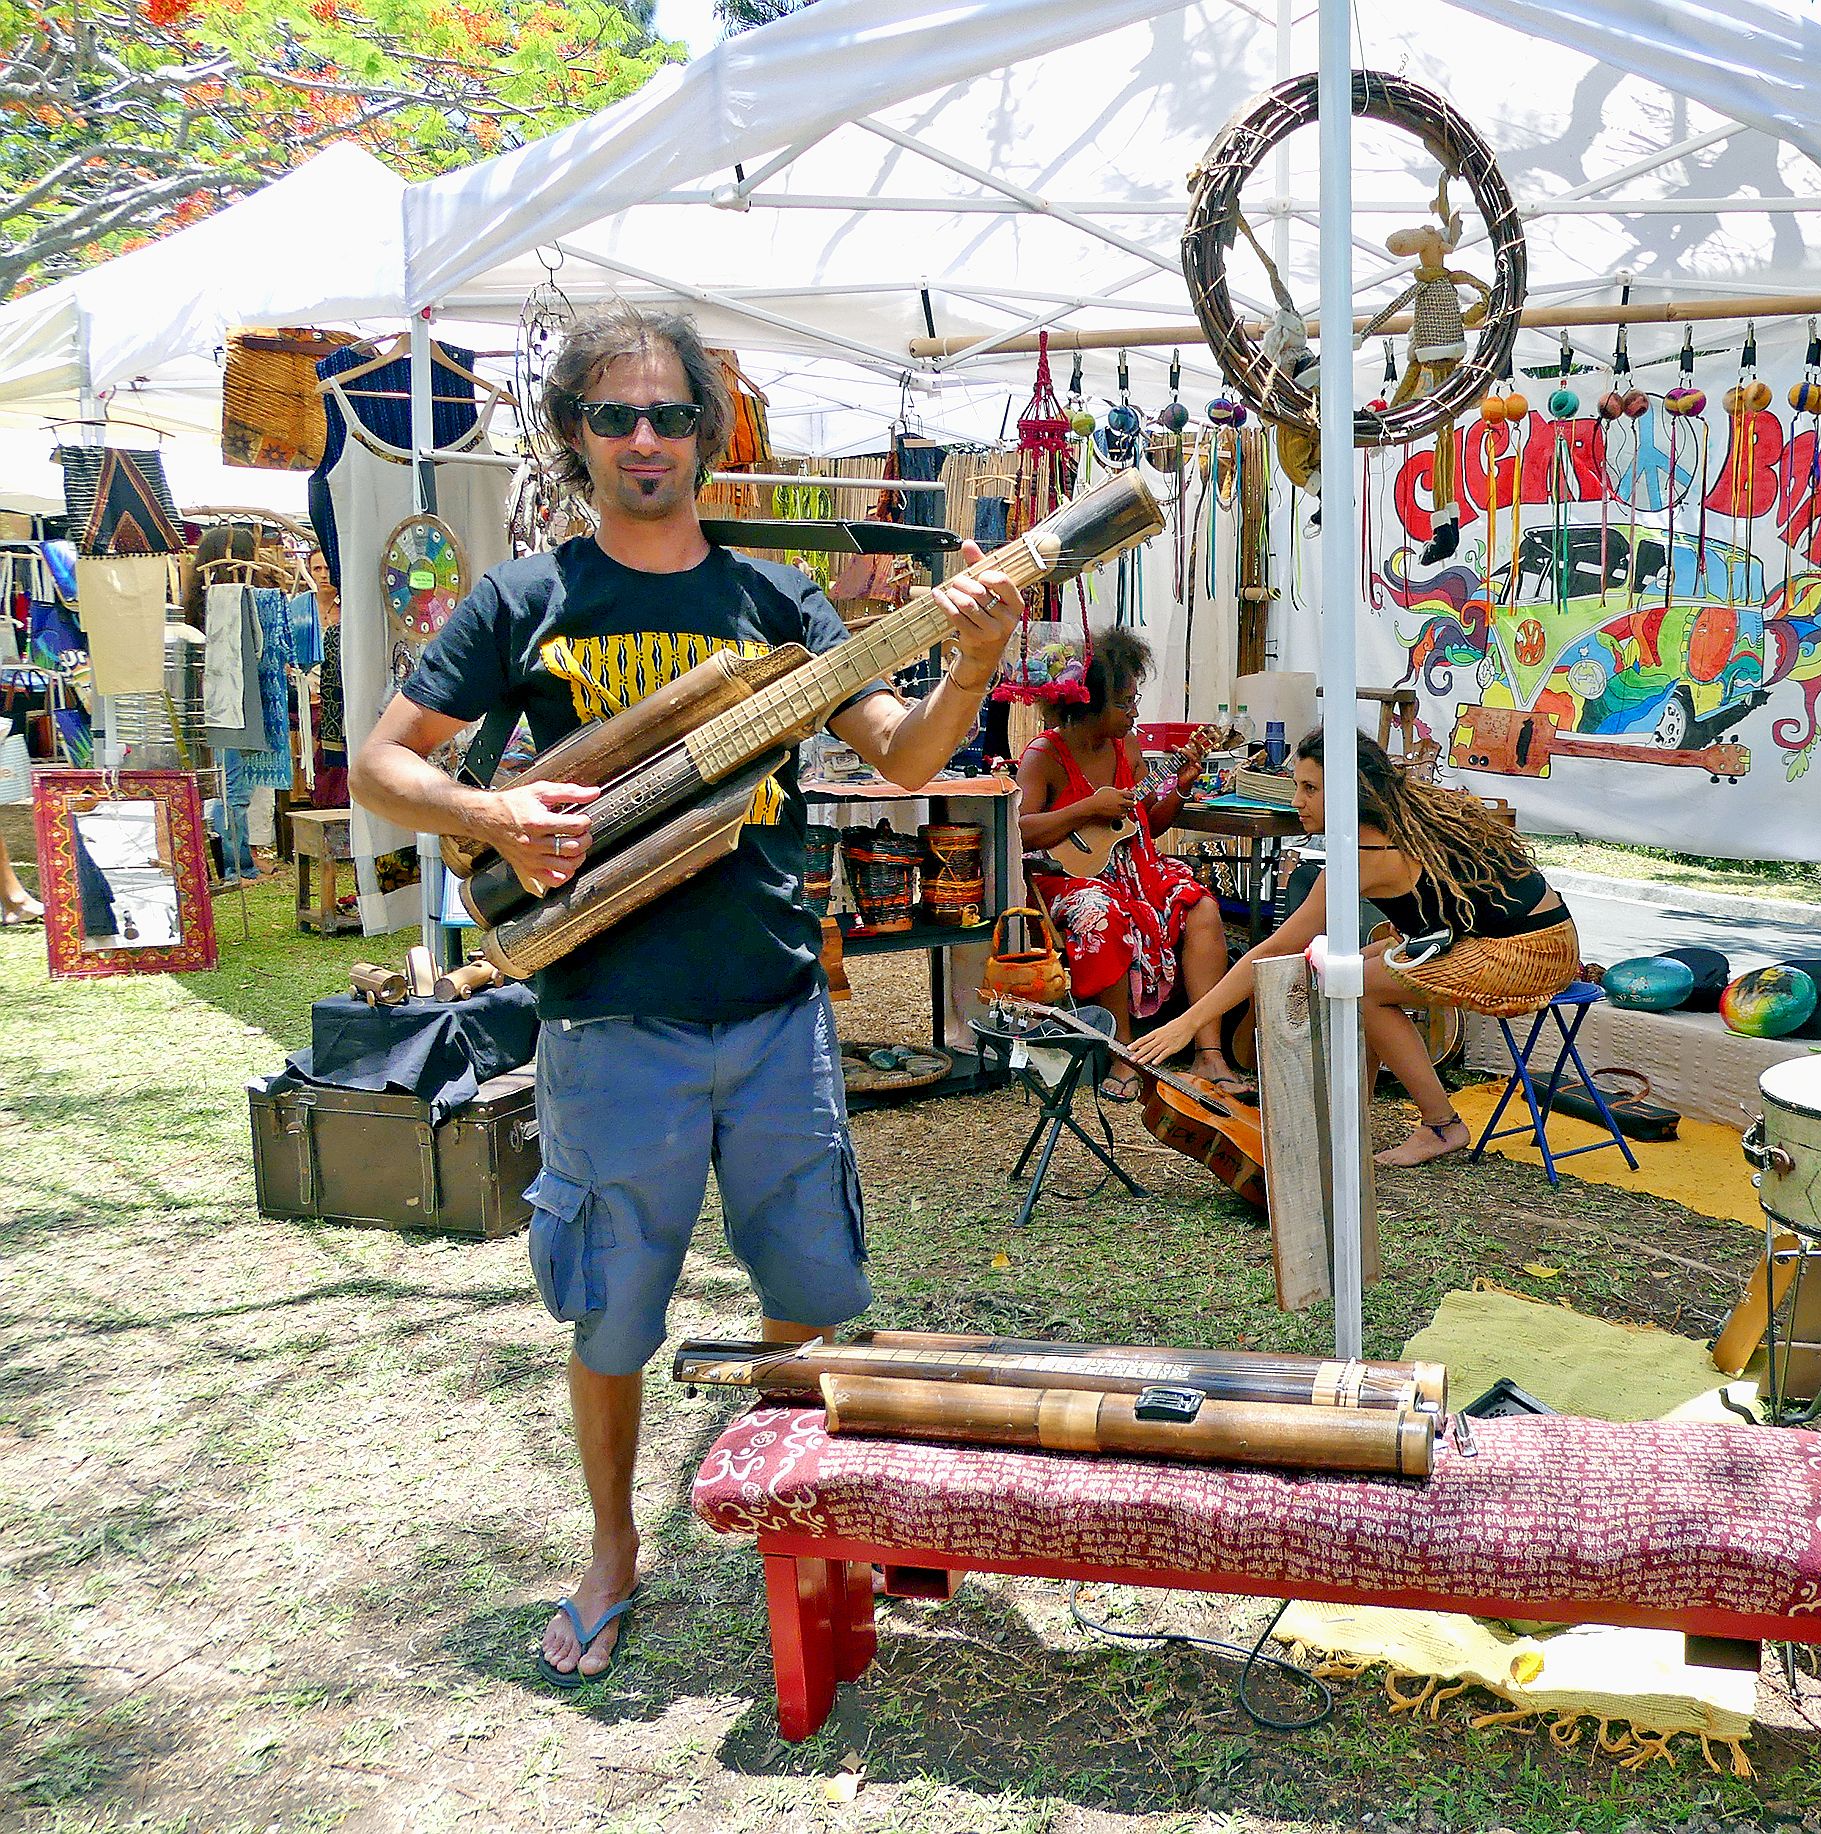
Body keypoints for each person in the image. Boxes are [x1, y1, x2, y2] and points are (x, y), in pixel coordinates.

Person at [351, 304, 1023, 1687]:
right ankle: (611, 1550)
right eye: (615, 415)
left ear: (708, 435)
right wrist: (492, 808)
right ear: (575, 436)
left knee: (809, 1288)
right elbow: (379, 763)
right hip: (608, 1023)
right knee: (610, 1308)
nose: (646, 438)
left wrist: (967, 663)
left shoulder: (773, 605)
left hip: (776, 1013)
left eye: (669, 413)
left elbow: (903, 761)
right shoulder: (525, 602)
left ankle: (786, 1515)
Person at [1133, 728, 1578, 1167]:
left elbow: (1273, 947)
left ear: (1351, 790)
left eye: (1311, 788)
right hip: (1511, 936)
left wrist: (1189, 1023)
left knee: (1358, 986)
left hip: (1531, 951)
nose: (1296, 801)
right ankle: (1351, 1117)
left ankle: (1441, 1125)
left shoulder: (1366, 852)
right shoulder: (1396, 818)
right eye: (1296, 786)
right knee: (1348, 969)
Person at [1014, 628, 1245, 1096]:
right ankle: (1123, 1053)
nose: (1134, 712)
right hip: (1069, 880)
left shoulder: (1130, 748)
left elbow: (1148, 824)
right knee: (1103, 914)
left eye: (1134, 700)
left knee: (1201, 907)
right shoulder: (1044, 756)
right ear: (1088, 702)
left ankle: (1209, 1052)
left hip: (1140, 872)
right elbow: (1019, 830)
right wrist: (1085, 809)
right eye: (1124, 703)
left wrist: (1179, 788)